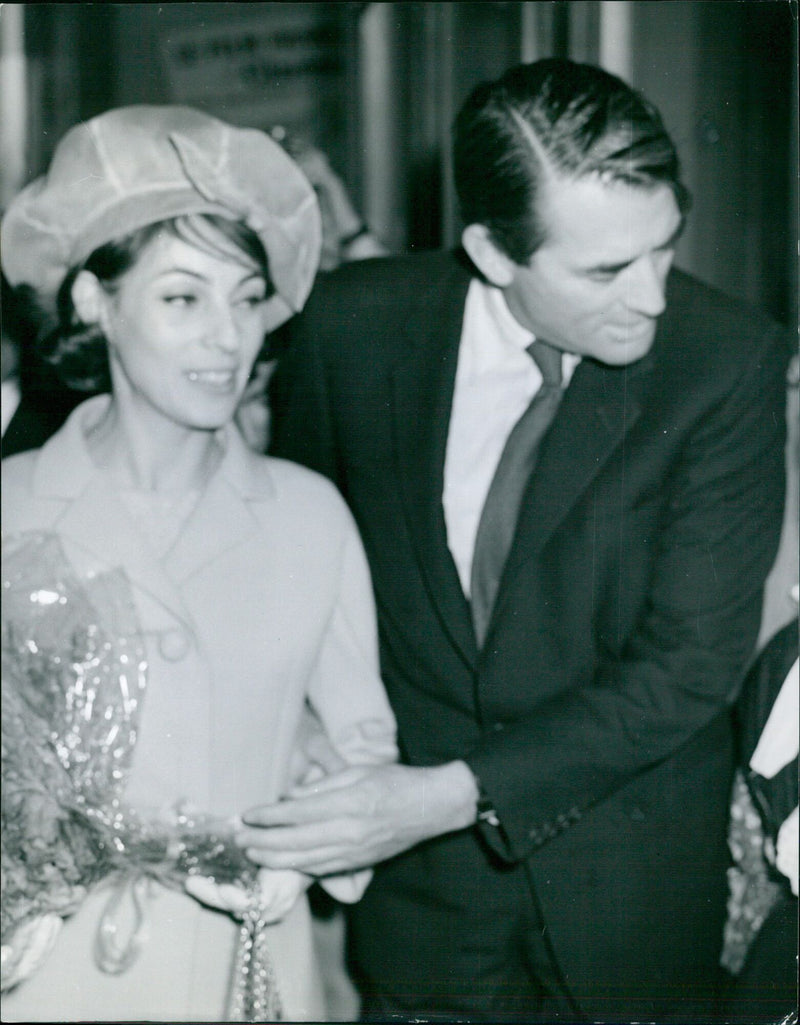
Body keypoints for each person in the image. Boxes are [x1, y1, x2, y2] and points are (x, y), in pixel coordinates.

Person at [237, 58, 789, 1022]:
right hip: (423, 913)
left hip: (632, 906)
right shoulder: (352, 331)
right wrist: (315, 733)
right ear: (494, 252)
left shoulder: (725, 362)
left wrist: (446, 795)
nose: (654, 296)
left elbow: (690, 667)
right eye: (608, 269)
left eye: (665, 246)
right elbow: (294, 572)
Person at [0, 104, 397, 1022]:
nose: (230, 337)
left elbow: (361, 749)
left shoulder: (310, 516)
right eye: (184, 297)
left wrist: (309, 840)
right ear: (94, 302)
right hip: (45, 976)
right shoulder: (10, 505)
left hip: (246, 972)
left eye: (247, 296)